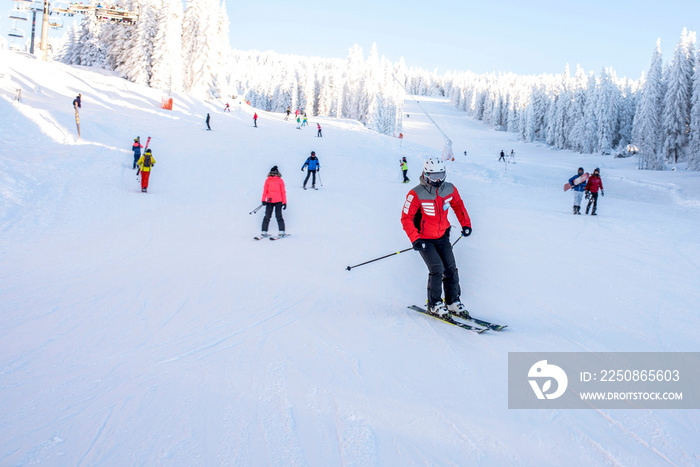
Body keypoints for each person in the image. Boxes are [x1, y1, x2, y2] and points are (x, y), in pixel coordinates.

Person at [401, 159, 472, 318]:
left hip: (443, 236)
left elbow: (458, 206)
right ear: (426, 175)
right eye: (433, 176)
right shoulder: (416, 194)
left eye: (440, 175)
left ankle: (453, 302)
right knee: (437, 269)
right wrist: (415, 239)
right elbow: (406, 218)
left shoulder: (449, 189)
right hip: (424, 239)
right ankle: (434, 304)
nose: (437, 180)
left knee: (451, 268)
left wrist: (466, 224)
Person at [260, 166, 287, 237]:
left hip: (279, 201)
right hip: (270, 201)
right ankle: (264, 231)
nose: (272, 174)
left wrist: (284, 202)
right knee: (267, 216)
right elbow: (265, 191)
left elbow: (283, 192)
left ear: (277, 173)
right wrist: (263, 200)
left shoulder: (280, 181)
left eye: (274, 172)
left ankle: (281, 231)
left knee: (279, 216)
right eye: (271, 172)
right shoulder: (267, 180)